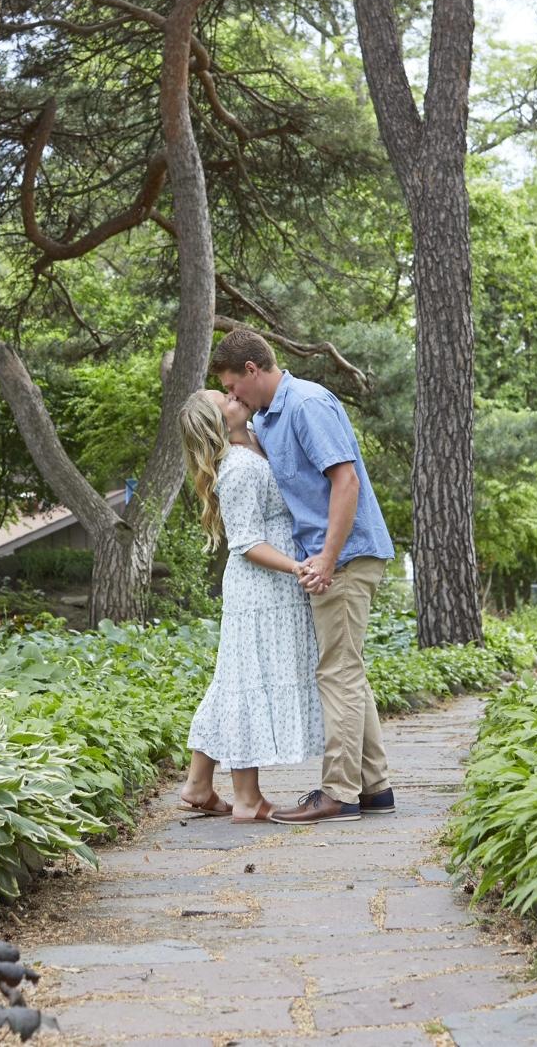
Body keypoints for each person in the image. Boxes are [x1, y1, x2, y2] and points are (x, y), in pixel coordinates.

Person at [212, 328, 395, 824]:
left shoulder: (307, 404)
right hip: (328, 558)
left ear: (252, 370)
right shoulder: (270, 418)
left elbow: (346, 480)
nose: (231, 397)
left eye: (232, 387)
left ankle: (339, 794)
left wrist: (328, 559)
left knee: (335, 672)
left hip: (346, 557)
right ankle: (375, 787)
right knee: (346, 668)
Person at [176, 388, 325, 824]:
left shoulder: (256, 437)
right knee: (247, 683)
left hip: (273, 587)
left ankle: (198, 785)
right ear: (218, 422)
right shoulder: (238, 467)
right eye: (222, 397)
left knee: (233, 681)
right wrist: (296, 567)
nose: (231, 393)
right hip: (261, 587)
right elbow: (245, 543)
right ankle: (247, 798)